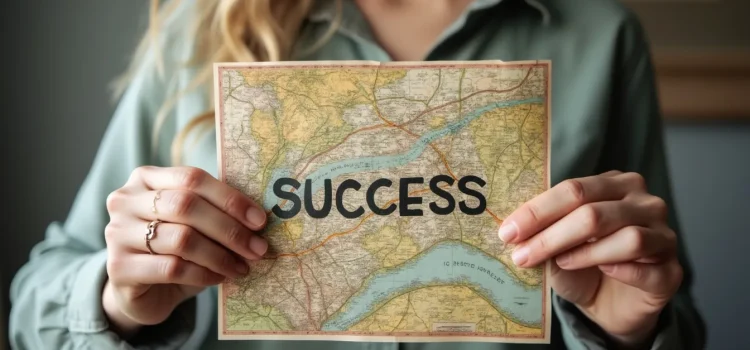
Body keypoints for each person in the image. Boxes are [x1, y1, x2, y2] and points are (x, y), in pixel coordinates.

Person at [9, 0, 706, 349]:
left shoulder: (600, 35)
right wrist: (120, 300)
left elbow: (673, 315)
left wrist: (632, 333)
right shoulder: (199, 27)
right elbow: (35, 298)